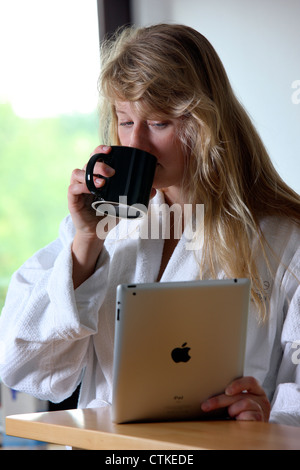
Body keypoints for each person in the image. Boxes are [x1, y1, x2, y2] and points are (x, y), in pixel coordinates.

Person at [0, 23, 299, 425]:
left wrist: (270, 419)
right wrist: (86, 243)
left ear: (207, 122)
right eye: (125, 121)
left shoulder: (284, 238)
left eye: (159, 123)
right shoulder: (104, 226)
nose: (135, 143)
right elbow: (22, 364)